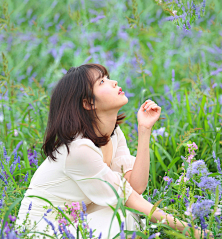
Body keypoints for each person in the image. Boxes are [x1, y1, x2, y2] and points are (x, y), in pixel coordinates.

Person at [16, 63, 208, 239]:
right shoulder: (79, 149)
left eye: (107, 78)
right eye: (102, 82)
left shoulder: (113, 133)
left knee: (127, 214)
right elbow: (130, 198)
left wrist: (144, 130)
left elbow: (136, 187)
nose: (114, 82)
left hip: (73, 221)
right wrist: (190, 230)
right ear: (88, 103)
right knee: (122, 217)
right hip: (39, 229)